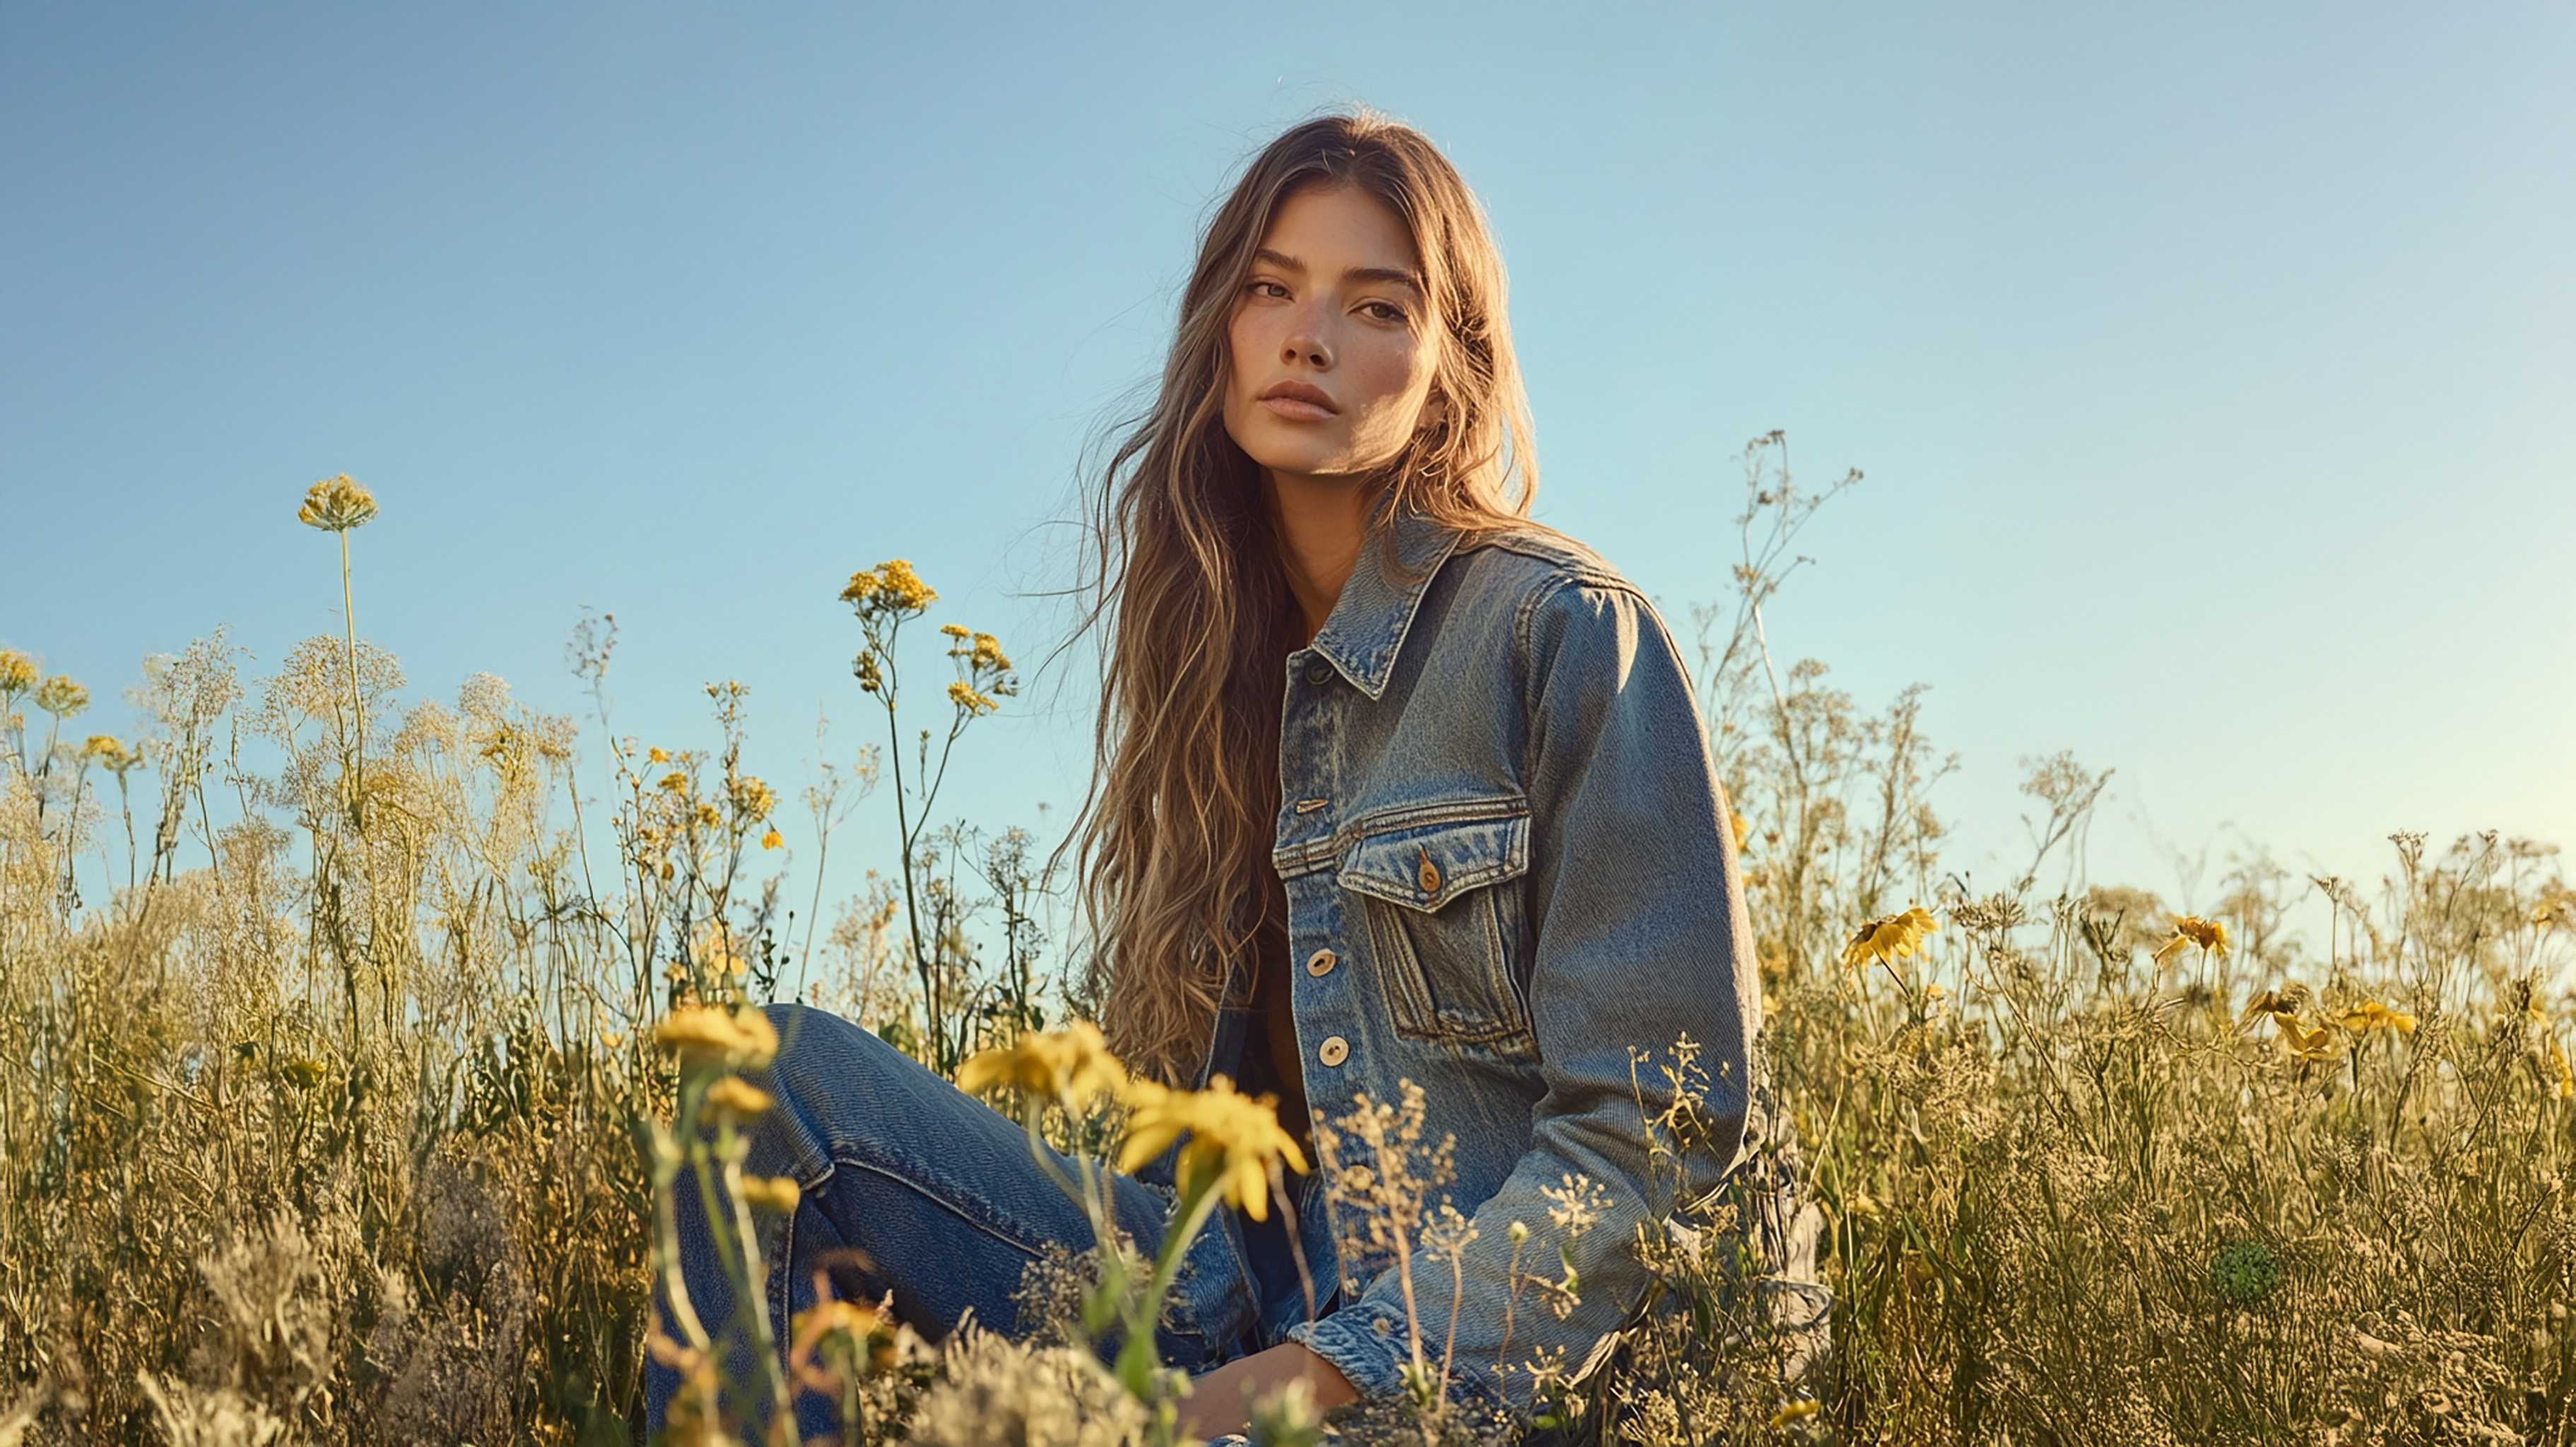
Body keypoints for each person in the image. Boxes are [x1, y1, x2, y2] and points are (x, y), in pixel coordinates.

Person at [645, 104, 1802, 1443]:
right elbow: (1182, 1132)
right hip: (1222, 1294)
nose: (1308, 335)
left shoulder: (1559, 633)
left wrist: (1308, 1378)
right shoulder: (1207, 673)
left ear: (1452, 363)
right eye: (1271, 288)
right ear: (1223, 326)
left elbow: (1649, 1137)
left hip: (1452, 1352)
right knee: (771, 1085)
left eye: (1376, 306)